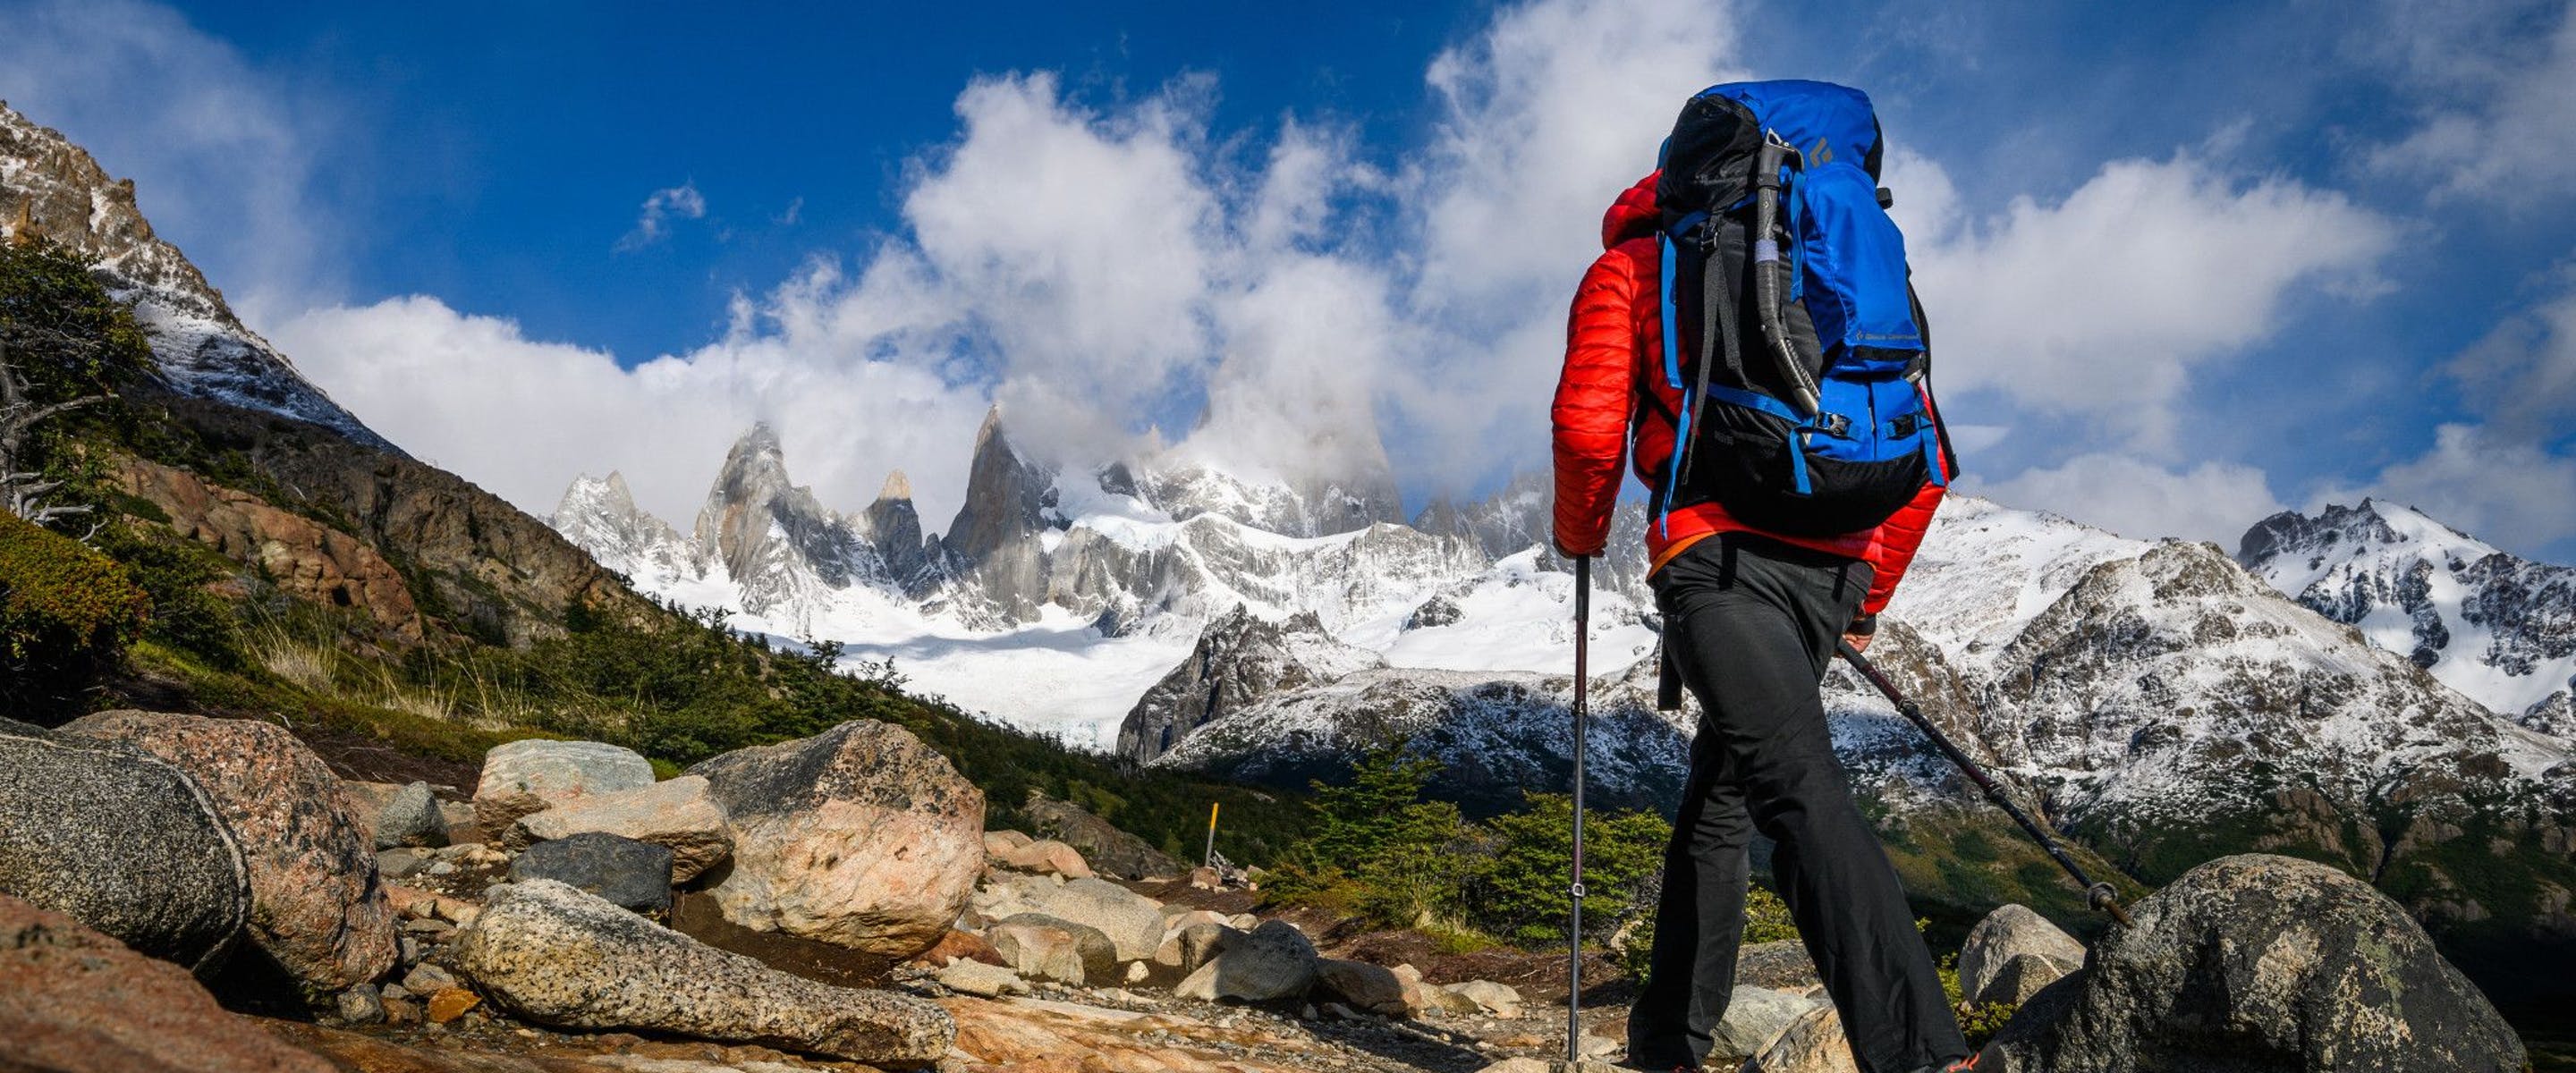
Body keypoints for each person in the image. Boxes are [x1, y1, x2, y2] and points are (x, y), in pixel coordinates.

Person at [1548, 168, 1972, 1073]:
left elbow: (1589, 429)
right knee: (1725, 798)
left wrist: (1579, 534)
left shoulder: (1635, 265)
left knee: (1793, 792)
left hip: (1716, 560)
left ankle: (1923, 1056)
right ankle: (1668, 1045)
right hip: (1829, 565)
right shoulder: (1846, 270)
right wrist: (1864, 594)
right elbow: (1926, 458)